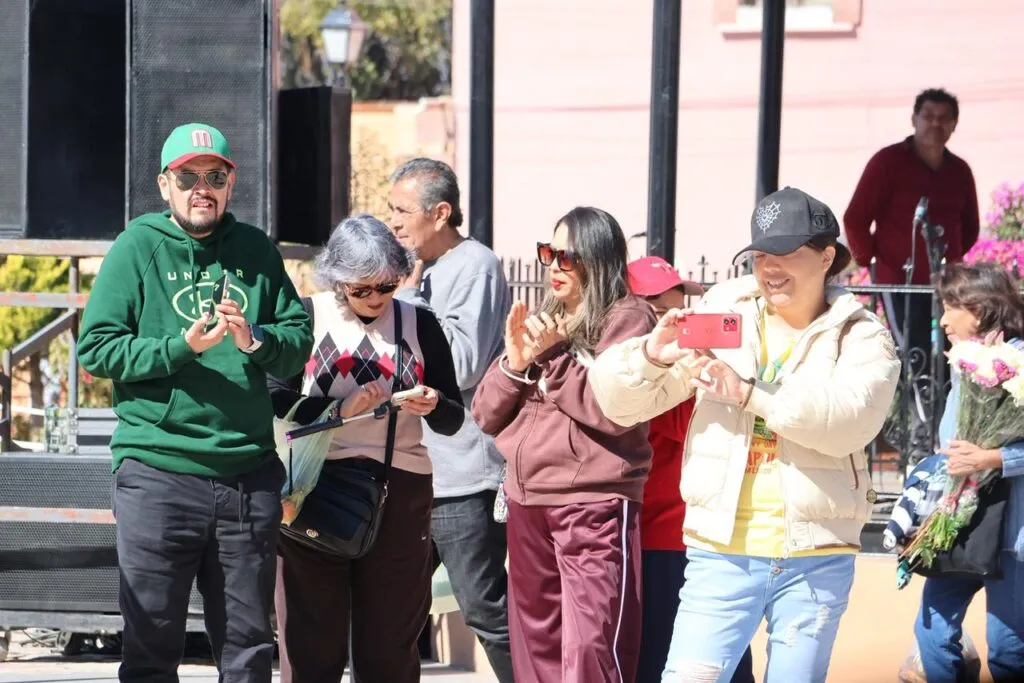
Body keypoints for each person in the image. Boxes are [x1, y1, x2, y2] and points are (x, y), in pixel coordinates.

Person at [590, 187, 901, 683]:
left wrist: (748, 392)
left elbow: (847, 422)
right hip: (721, 553)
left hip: (814, 559)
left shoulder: (859, 334)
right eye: (760, 256)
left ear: (826, 257)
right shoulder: (724, 314)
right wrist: (650, 355)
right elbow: (617, 403)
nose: (770, 268)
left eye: (787, 254)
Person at [77, 122, 313, 683]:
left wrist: (254, 339)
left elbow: (296, 345)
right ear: (165, 184)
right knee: (150, 648)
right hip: (158, 474)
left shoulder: (256, 250)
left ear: (231, 185)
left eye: (214, 176)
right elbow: (97, 349)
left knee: (248, 650)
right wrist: (180, 348)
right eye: (188, 177)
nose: (201, 187)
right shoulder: (138, 246)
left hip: (247, 478)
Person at [269, 214, 465, 683]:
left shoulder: (420, 323)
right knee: (310, 643)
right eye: (361, 289)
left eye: (387, 286)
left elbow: (455, 416)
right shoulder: (307, 315)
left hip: (399, 490)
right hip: (314, 487)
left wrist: (433, 401)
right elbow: (271, 397)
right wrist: (337, 408)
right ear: (336, 280)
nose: (375, 299)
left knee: (390, 648)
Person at [472, 206, 656, 683]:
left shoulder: (629, 318)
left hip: (592, 502)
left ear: (598, 259)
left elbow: (611, 410)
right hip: (526, 500)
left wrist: (554, 356)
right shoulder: (542, 319)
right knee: (537, 645)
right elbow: (486, 414)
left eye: (566, 256)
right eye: (548, 253)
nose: (553, 265)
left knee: (592, 644)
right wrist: (515, 365)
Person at [387, 158, 514, 682]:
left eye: (402, 211)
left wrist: (410, 297)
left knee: (485, 609)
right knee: (390, 613)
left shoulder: (474, 266)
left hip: (462, 479)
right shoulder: (425, 272)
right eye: (390, 209)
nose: (393, 222)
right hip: (414, 473)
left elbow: (458, 365)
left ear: (441, 213)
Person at [627, 257, 756, 683]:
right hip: (661, 539)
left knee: (724, 658)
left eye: (680, 309)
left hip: (705, 533)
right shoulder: (645, 373)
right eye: (661, 311)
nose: (676, 321)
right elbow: (695, 424)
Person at [844, 87, 980, 464]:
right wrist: (873, 261)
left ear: (953, 125)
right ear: (914, 119)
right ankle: (925, 436)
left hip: (946, 284)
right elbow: (856, 218)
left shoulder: (959, 171)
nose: (935, 124)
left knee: (955, 356)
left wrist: (952, 261)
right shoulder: (888, 162)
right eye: (929, 116)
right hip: (900, 281)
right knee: (915, 356)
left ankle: (953, 428)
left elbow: (969, 227)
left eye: (944, 118)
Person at [908, 262, 1024, 683]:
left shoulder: (1021, 360)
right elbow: (949, 437)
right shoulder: (965, 363)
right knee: (932, 628)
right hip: (960, 522)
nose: (941, 318)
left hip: (1014, 535)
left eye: (948, 306)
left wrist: (991, 459)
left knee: (1010, 648)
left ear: (978, 307)